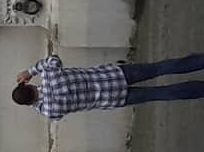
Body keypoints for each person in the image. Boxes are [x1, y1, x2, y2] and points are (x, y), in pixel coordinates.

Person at [13, 51, 204, 116]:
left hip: (115, 98)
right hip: (114, 75)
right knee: (159, 68)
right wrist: (29, 72)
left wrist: (31, 101)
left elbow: (41, 108)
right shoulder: (48, 76)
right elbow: (53, 60)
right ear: (28, 85)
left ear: (30, 103)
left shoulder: (48, 110)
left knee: (161, 94)